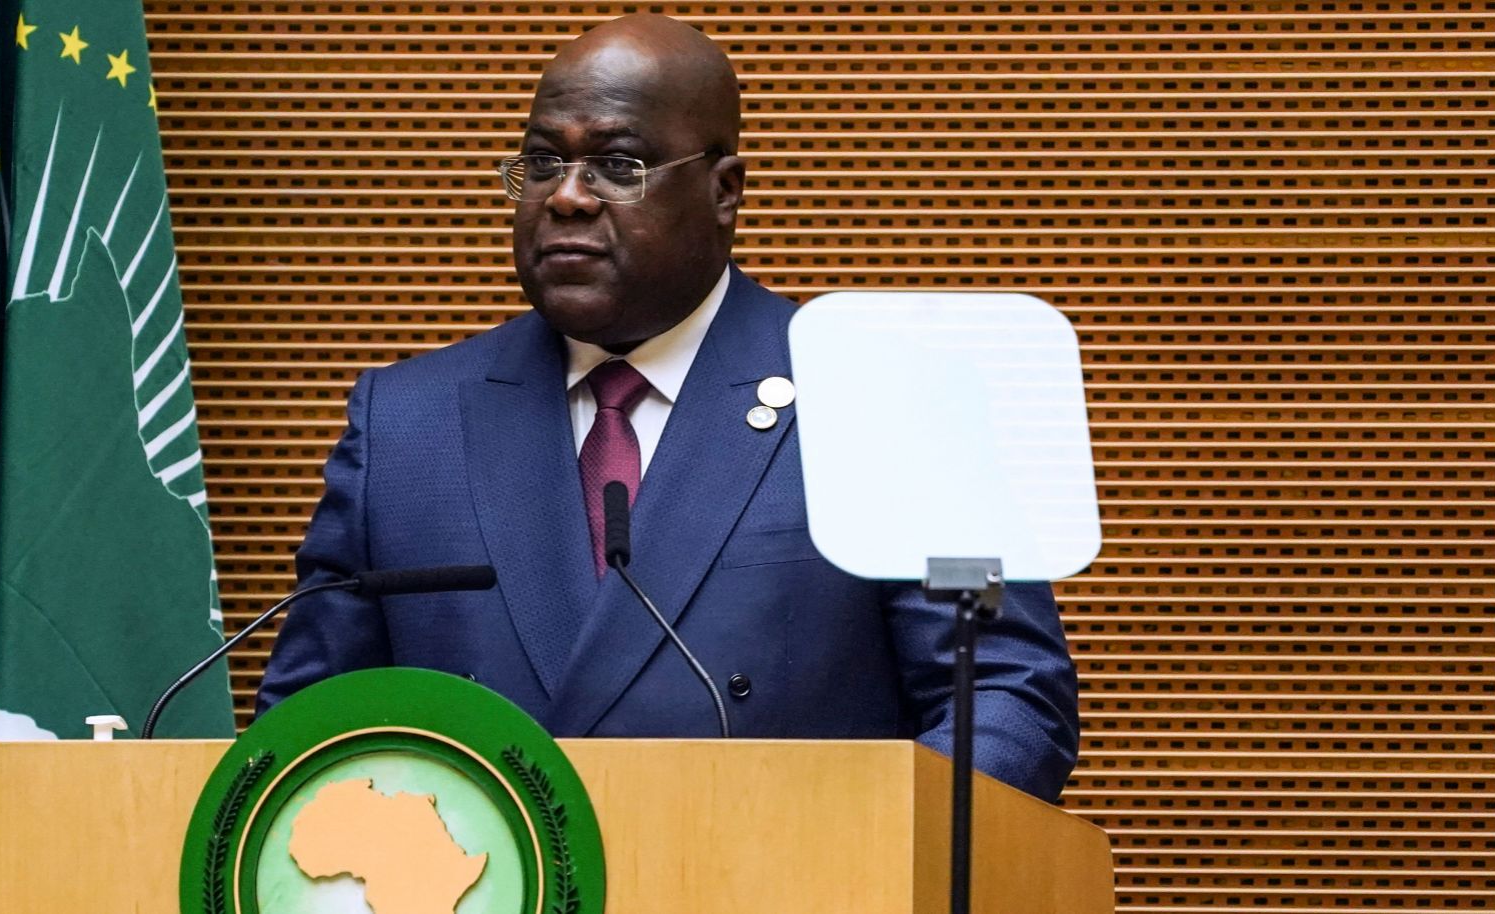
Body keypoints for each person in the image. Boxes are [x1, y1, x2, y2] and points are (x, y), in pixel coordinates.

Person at [256, 13, 1080, 802]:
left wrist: (864, 850)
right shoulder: (408, 425)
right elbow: (305, 737)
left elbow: (1005, 703)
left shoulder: (883, 400)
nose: (566, 198)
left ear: (725, 192)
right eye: (542, 163)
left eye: (617, 165)